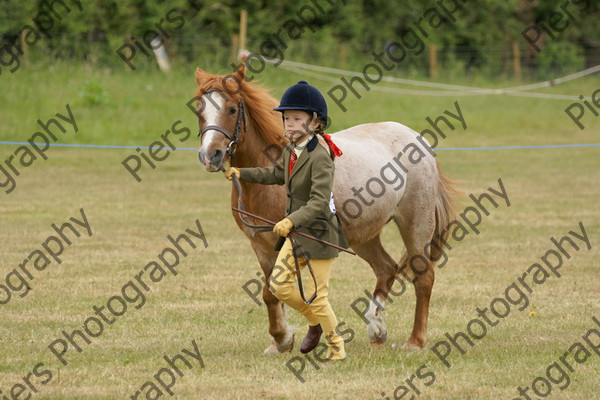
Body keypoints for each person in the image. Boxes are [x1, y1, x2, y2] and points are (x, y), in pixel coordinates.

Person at [224, 81, 348, 360]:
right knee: (278, 286)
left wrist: (290, 221)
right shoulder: (291, 150)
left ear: (316, 123)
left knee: (319, 296)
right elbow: (275, 175)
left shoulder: (321, 156)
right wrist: (242, 173)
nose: (289, 125)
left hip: (318, 233)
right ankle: (314, 321)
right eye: (287, 119)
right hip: (295, 233)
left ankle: (336, 348)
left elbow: (318, 201)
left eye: (297, 119)